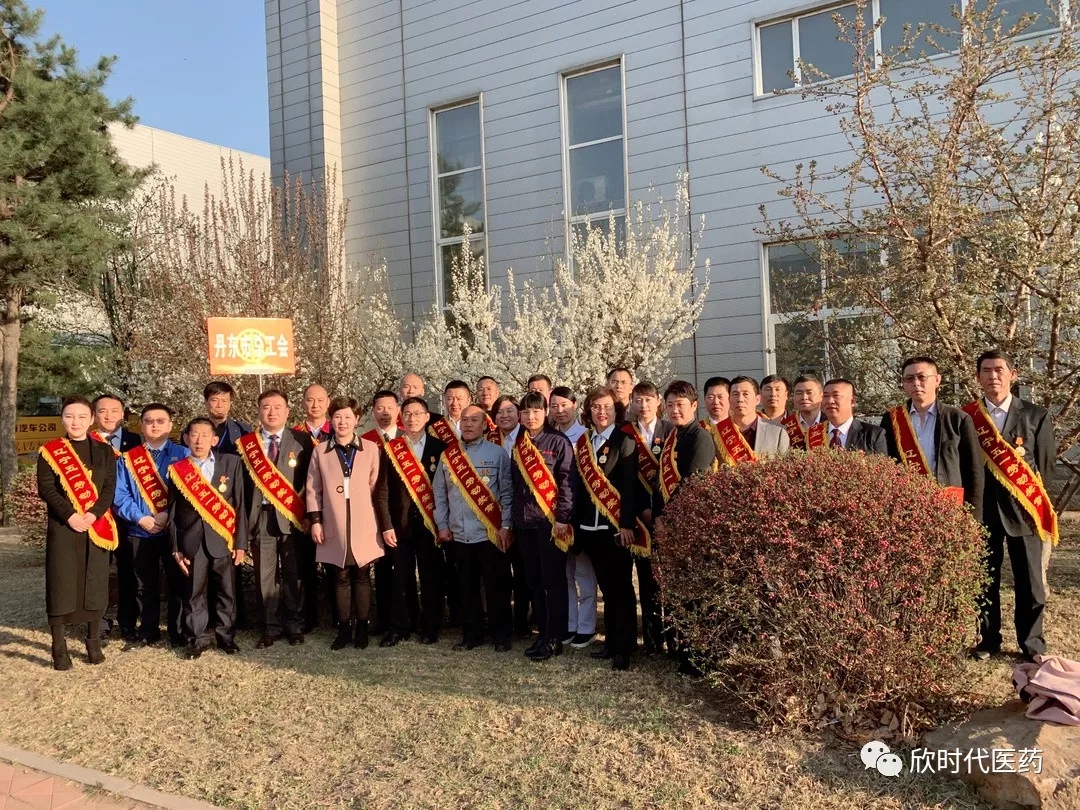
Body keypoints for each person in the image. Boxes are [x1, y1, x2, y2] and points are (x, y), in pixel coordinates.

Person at [965, 350, 1057, 663]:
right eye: (986, 371)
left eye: (999, 370)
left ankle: (1032, 645)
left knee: (1030, 582)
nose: (993, 376)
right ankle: (988, 641)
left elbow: (1045, 467)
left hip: (1024, 512)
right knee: (985, 580)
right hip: (983, 513)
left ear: (1013, 374)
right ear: (978, 377)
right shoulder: (968, 417)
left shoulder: (1035, 415)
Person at [37, 395, 118, 670]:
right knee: (61, 583)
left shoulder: (105, 451)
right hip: (64, 527)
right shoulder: (50, 451)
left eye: (82, 416)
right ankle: (59, 648)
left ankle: (93, 642)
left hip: (95, 525)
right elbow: (46, 488)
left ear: (91, 419)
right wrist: (70, 515)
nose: (76, 422)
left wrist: (93, 514)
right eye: (70, 416)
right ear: (62, 419)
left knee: (95, 582)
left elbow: (108, 488)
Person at [306, 396, 392, 650]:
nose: (342, 422)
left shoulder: (370, 449)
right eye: (337, 417)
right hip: (333, 520)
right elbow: (313, 488)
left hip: (363, 520)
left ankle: (362, 626)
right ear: (331, 420)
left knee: (362, 574)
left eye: (347, 417)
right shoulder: (321, 451)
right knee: (340, 574)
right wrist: (316, 520)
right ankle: (343, 628)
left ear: (356, 420)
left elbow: (375, 487)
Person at [433, 404, 515, 651]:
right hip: (459, 534)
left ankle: (501, 636)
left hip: (490, 533)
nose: (468, 424)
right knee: (466, 588)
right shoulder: (448, 456)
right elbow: (439, 494)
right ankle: (472, 635)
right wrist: (442, 526)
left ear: (485, 424)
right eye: (465, 420)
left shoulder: (498, 454)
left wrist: (506, 525)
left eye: (474, 420)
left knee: (496, 587)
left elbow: (507, 493)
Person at [238, 389, 315, 648]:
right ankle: (270, 625)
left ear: (287, 411)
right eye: (266, 407)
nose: (272, 412)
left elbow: (310, 481)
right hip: (260, 517)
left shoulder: (302, 440)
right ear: (259, 411)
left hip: (292, 517)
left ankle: (294, 624)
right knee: (265, 575)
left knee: (294, 572)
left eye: (277, 407)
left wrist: (309, 515)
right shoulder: (246, 444)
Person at [168, 418, 247, 659]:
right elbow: (172, 512)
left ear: (214, 440)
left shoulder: (231, 463)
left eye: (205, 435)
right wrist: (175, 547)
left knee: (227, 591)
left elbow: (240, 505)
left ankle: (226, 637)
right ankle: (197, 639)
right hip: (191, 542)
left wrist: (241, 543)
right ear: (186, 438)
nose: (199, 440)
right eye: (194, 434)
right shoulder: (177, 470)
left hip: (224, 539)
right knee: (194, 593)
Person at [575, 386, 642, 671]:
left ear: (617, 410)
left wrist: (626, 524)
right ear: (588, 411)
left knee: (621, 590)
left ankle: (624, 649)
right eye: (595, 407)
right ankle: (611, 643)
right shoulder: (584, 441)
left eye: (607, 407)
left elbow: (629, 487)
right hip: (589, 529)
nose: (601, 412)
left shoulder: (624, 441)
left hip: (614, 528)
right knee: (606, 587)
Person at [113, 403, 189, 648]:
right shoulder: (128, 459)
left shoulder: (184, 454)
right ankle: (148, 630)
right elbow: (120, 495)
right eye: (149, 421)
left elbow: (189, 494)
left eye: (160, 421)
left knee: (178, 581)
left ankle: (178, 632)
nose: (154, 425)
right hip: (140, 530)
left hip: (174, 531)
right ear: (141, 425)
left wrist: (167, 513)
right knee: (143, 584)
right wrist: (140, 518)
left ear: (170, 425)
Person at [655, 381, 718, 672]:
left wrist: (666, 518)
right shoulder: (672, 437)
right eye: (670, 405)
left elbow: (692, 483)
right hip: (671, 525)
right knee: (678, 590)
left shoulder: (700, 437)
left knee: (695, 593)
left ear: (694, 406)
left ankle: (699, 656)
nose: (675, 410)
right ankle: (683, 650)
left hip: (691, 525)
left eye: (680, 404)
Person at [511, 391, 576, 661]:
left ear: (545, 412)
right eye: (526, 412)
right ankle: (542, 634)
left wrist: (562, 518)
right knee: (534, 582)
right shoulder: (520, 443)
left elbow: (567, 484)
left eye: (536, 411)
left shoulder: (558, 442)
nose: (531, 416)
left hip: (549, 524)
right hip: (524, 523)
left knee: (553, 582)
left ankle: (554, 638)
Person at [380, 396, 447, 645]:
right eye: (407, 414)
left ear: (427, 417)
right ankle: (400, 627)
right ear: (401, 417)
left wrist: (444, 523)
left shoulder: (440, 448)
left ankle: (430, 627)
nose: (412, 418)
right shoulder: (392, 448)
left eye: (418, 413)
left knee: (431, 577)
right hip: (400, 525)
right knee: (400, 578)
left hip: (432, 524)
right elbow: (383, 491)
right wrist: (386, 525)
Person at [881, 356, 983, 514]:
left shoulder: (957, 419)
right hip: (907, 507)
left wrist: (973, 516)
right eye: (909, 378)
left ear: (937, 380)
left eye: (922, 377)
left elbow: (974, 471)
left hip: (949, 507)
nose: (916, 383)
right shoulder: (892, 420)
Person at [364, 391, 419, 635]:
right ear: (373, 411)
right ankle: (384, 620)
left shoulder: (408, 438)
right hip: (377, 515)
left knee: (406, 573)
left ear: (398, 410)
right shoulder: (366, 440)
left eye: (390, 407)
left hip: (407, 517)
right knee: (383, 571)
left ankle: (413, 618)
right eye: (380, 408)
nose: (385, 413)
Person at [625, 381, 674, 656]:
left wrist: (662, 514)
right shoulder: (625, 433)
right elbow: (624, 480)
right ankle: (653, 639)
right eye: (638, 400)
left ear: (658, 402)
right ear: (632, 403)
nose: (643, 405)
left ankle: (674, 638)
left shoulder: (671, 431)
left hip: (670, 518)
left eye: (648, 400)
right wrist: (642, 511)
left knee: (671, 581)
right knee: (646, 580)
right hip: (640, 518)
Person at [91, 393, 139, 641]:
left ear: (123, 414)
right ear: (94, 415)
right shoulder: (84, 442)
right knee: (99, 572)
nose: (108, 416)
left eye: (114, 411)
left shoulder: (137, 441)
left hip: (128, 519)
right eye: (102, 411)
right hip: (96, 518)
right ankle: (99, 621)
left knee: (128, 571)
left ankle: (128, 621)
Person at [550, 385, 594, 647]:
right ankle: (569, 623)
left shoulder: (585, 436)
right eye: (554, 406)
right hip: (555, 515)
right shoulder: (547, 436)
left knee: (584, 575)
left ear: (575, 405)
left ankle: (586, 626)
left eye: (564, 405)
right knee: (564, 574)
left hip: (580, 515)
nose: (559, 410)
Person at [491, 394, 531, 634]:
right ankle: (501, 622)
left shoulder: (529, 438)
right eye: (499, 412)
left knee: (524, 573)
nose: (504, 416)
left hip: (524, 515)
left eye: (509, 411)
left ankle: (522, 622)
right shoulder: (488, 440)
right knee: (500, 573)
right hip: (495, 516)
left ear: (519, 414)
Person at [294, 384, 330, 632]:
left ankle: (337, 615)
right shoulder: (293, 435)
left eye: (319, 400)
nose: (315, 405)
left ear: (328, 403)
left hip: (333, 510)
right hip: (301, 510)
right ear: (303, 403)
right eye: (310, 400)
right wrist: (306, 513)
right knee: (304, 565)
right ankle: (308, 616)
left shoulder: (338, 430)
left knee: (335, 567)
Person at [715, 376, 790, 462]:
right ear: (729, 399)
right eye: (735, 394)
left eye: (746, 394)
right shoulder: (717, 432)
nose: (740, 399)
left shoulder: (777, 432)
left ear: (757, 399)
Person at [820, 379, 887, 453]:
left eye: (836, 395)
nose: (829, 401)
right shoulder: (814, 434)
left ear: (852, 401)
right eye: (825, 396)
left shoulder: (873, 434)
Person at [202, 381, 251, 456]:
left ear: (230, 403)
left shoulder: (243, 431)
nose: (219, 405)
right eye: (214, 400)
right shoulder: (193, 430)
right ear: (206, 401)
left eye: (224, 401)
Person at [782, 374, 824, 450]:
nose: (804, 397)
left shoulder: (831, 423)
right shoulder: (784, 426)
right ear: (793, 397)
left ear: (821, 396)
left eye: (809, 393)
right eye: (799, 393)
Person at [698, 376, 731, 465]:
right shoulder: (698, 428)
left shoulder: (738, 427)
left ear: (730, 399)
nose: (716, 402)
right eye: (711, 397)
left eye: (720, 397)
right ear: (704, 400)